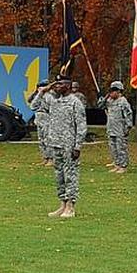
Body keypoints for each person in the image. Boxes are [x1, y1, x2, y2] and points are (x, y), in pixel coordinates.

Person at [44, 79, 87, 218]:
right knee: (59, 175)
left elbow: (81, 125)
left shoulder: (75, 102)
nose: (56, 87)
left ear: (67, 86)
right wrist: (45, 89)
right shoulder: (54, 101)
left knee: (70, 175)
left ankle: (70, 206)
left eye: (60, 84)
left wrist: (78, 146)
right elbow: (34, 104)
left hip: (69, 145)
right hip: (56, 143)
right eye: (55, 84)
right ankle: (62, 203)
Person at [100, 81, 132, 173]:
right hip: (111, 128)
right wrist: (105, 97)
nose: (111, 93)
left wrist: (128, 127)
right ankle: (117, 164)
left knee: (121, 147)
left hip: (120, 128)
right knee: (113, 147)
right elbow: (100, 106)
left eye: (113, 91)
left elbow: (128, 115)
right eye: (110, 91)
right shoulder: (109, 101)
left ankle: (123, 166)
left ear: (119, 91)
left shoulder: (123, 101)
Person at [28, 80, 54, 166]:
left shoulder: (50, 96)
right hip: (39, 118)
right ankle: (45, 158)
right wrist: (38, 94)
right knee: (41, 140)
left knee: (48, 139)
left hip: (47, 118)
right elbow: (32, 106)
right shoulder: (38, 96)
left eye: (42, 86)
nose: (40, 88)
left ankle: (51, 159)